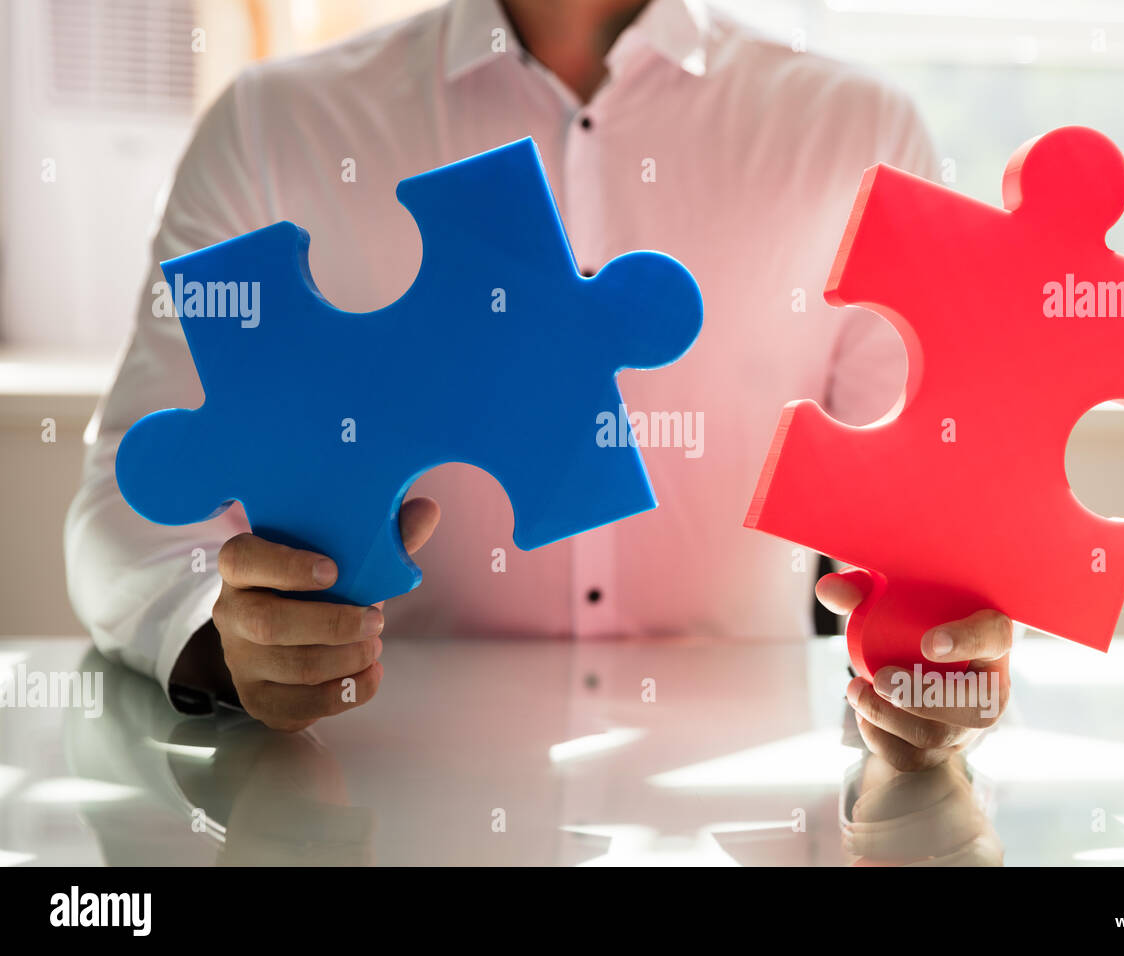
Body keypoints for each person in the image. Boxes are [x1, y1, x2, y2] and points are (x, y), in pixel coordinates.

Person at [66, 0, 1012, 767]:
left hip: (748, 800)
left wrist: (940, 655)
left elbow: (935, 506)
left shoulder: (860, 129)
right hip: (380, 793)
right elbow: (128, 501)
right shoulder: (272, 126)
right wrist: (223, 640)